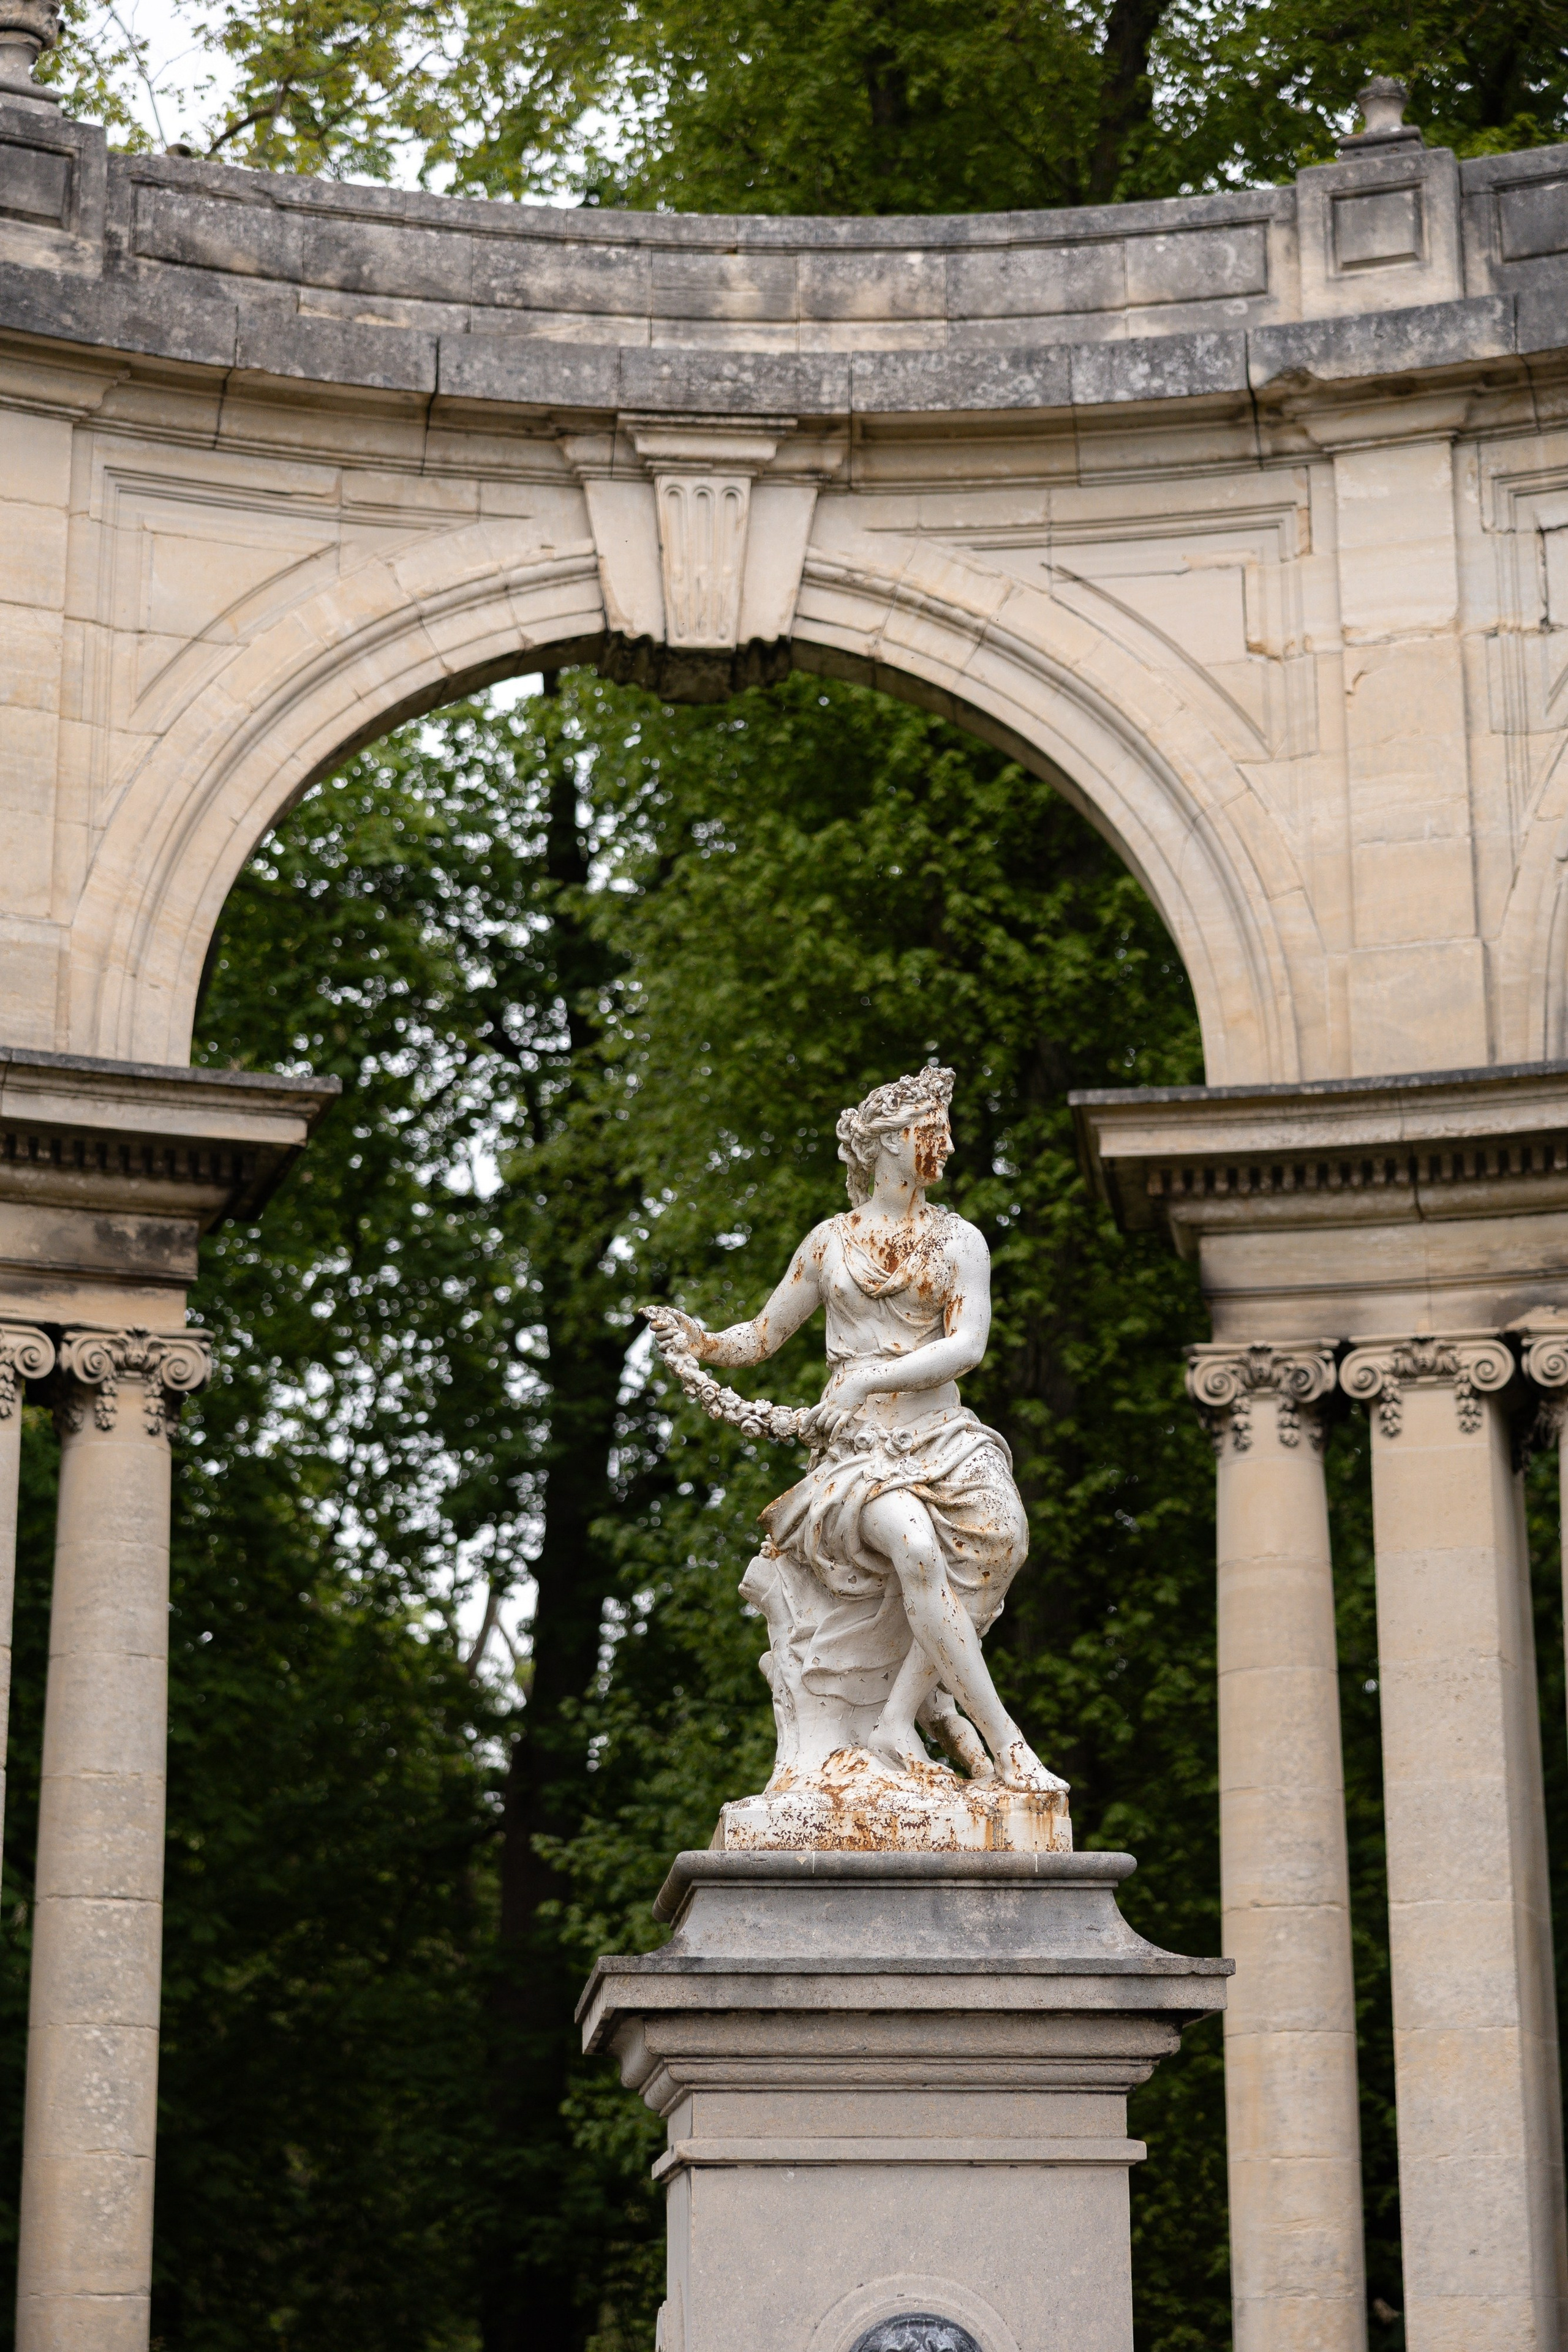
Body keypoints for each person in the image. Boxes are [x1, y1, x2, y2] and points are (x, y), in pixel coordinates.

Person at [650, 1066, 1063, 1794]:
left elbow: (967, 1346)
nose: (940, 1142)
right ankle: (1010, 1746)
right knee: (913, 1543)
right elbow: (761, 1335)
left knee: (1004, 1545)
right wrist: (703, 1342)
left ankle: (896, 1719)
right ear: (877, 1147)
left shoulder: (958, 1240)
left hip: (944, 1438)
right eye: (922, 1130)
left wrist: (871, 1376)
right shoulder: (830, 1242)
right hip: (860, 1452)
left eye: (941, 1129)